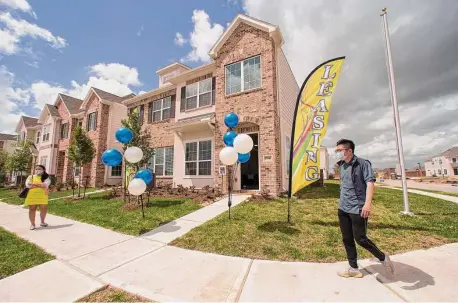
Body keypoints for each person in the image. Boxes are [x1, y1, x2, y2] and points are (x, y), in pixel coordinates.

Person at [335, 139, 395, 278]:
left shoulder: (363, 163)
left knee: (360, 239)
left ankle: (383, 257)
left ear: (349, 151)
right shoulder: (342, 165)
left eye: (340, 150)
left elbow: (370, 183)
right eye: (336, 151)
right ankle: (353, 268)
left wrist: (367, 204)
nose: (337, 153)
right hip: (343, 208)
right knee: (347, 239)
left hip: (358, 208)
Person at [24, 165, 51, 230]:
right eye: (36, 169)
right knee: (32, 209)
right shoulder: (31, 177)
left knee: (43, 209)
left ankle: (42, 222)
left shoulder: (47, 177)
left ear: (43, 170)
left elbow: (45, 184)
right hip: (32, 195)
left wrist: (33, 184)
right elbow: (28, 185)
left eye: (39, 169)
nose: (37, 170)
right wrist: (40, 185)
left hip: (43, 195)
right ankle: (32, 224)